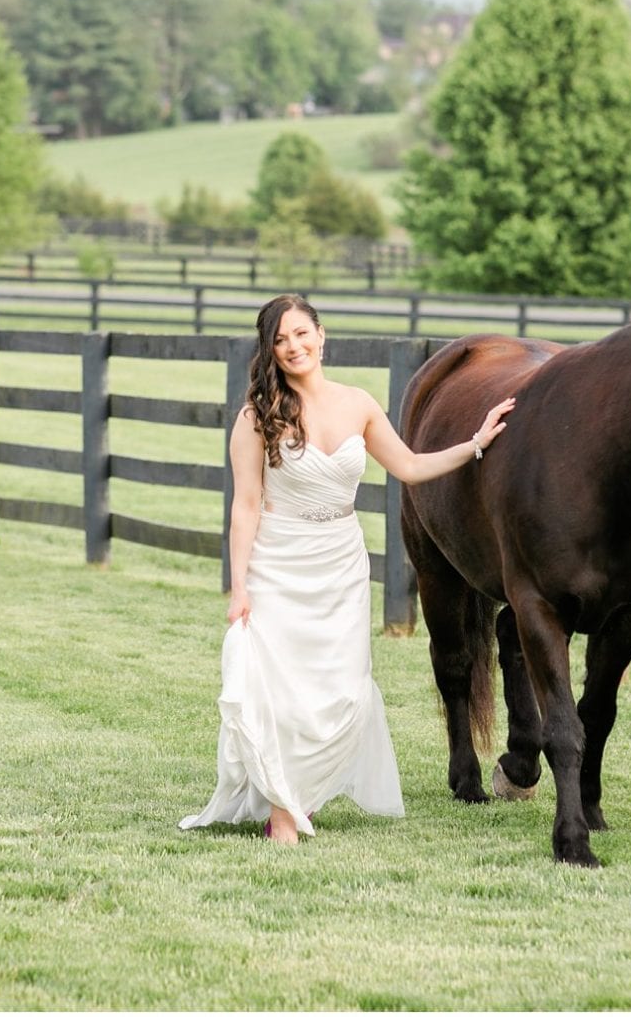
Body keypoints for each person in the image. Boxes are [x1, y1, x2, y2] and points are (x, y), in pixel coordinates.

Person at [181, 294, 517, 847]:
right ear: (270, 350)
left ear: (321, 335)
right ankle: (283, 814)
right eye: (281, 340)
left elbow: (408, 465)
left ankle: (301, 792)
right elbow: (245, 505)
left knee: (339, 686)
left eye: (300, 334)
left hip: (340, 560)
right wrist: (239, 586)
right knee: (280, 689)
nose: (293, 347)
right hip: (280, 560)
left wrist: (476, 444)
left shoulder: (358, 403)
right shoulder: (256, 417)